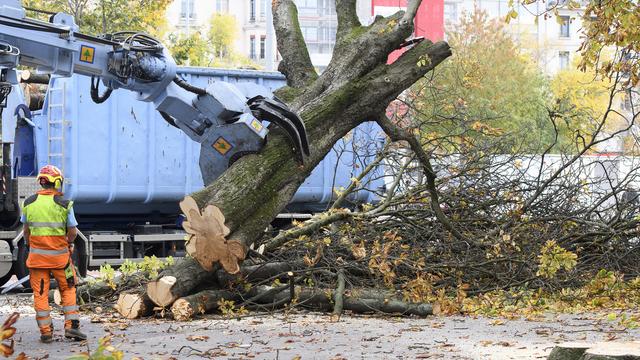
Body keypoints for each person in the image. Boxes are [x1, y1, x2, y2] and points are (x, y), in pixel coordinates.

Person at [21, 165, 86, 343]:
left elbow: (26, 232)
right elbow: (72, 232)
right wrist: (69, 243)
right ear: (57, 182)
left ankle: (46, 332)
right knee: (68, 289)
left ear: (41, 182)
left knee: (40, 294)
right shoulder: (65, 204)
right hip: (61, 261)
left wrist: (29, 246)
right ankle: (71, 328)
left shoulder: (28, 203)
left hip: (37, 261)